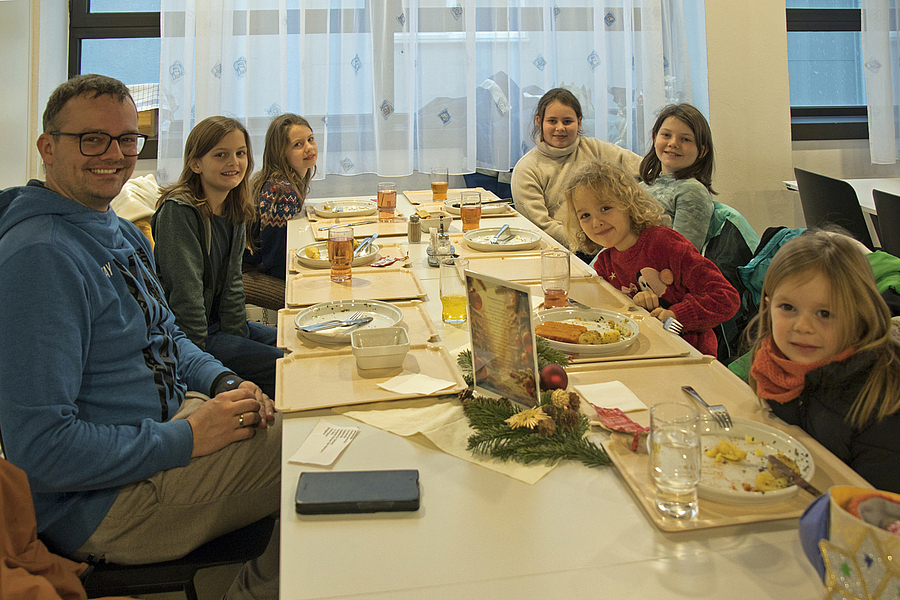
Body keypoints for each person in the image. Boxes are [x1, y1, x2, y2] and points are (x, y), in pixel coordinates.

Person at [0, 74, 280, 600]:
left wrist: (220, 381)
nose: (114, 154)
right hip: (106, 503)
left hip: (168, 423)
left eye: (127, 139)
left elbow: (169, 334)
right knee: (319, 448)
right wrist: (191, 437)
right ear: (47, 147)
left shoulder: (120, 229)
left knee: (306, 414)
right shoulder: (41, 258)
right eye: (92, 139)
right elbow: (39, 450)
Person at [746, 231, 900, 493]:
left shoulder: (882, 396)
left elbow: (879, 505)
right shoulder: (775, 363)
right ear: (769, 307)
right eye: (788, 307)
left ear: (859, 316)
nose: (803, 326)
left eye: (825, 313)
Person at [153, 116, 282, 399]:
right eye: (220, 155)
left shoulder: (234, 206)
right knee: (286, 368)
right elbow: (186, 297)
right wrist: (203, 363)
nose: (233, 162)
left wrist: (238, 339)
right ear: (195, 163)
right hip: (188, 337)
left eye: (240, 153)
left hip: (218, 326)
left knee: (301, 347)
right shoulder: (179, 212)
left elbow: (234, 283)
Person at [564, 160, 740, 356]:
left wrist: (675, 315)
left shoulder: (665, 244)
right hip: (642, 351)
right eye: (585, 215)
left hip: (689, 354)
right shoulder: (605, 263)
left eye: (605, 208)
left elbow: (726, 297)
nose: (596, 222)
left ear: (628, 204)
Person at [512, 87, 641, 249]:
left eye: (567, 121)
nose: (560, 128)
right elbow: (540, 225)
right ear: (539, 122)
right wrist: (588, 242)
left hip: (612, 244)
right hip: (562, 251)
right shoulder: (527, 169)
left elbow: (644, 169)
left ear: (579, 122)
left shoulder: (597, 149)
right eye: (552, 121)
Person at [245, 113, 318, 280]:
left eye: (310, 139)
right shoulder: (281, 190)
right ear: (280, 152)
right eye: (298, 144)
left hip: (262, 268)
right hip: (254, 273)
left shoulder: (284, 181)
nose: (309, 148)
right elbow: (276, 259)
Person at [639, 103, 716, 251]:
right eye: (666, 135)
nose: (673, 143)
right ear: (655, 138)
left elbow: (682, 256)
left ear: (703, 150)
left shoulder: (691, 190)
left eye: (685, 139)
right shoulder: (643, 186)